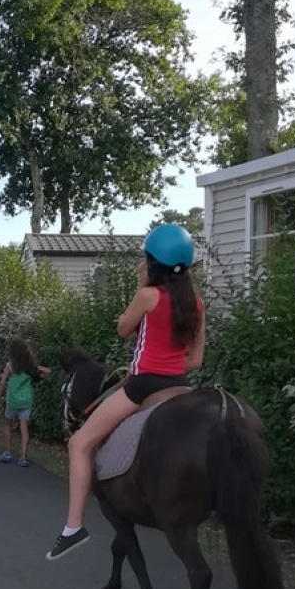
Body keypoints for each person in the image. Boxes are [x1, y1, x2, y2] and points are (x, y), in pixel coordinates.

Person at [46, 224, 205, 560]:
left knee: (80, 442)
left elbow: (122, 329)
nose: (141, 266)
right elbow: (196, 360)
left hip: (141, 384)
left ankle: (73, 527)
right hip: (179, 383)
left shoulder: (148, 295)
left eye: (145, 260)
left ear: (154, 264)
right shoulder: (197, 304)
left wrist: (140, 285)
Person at [0, 338, 51, 467]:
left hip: (12, 401)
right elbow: (48, 372)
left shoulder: (10, 365)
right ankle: (23, 457)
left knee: (8, 424)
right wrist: (37, 369)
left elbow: (2, 383)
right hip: (26, 401)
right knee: (24, 428)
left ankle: (8, 452)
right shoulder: (30, 367)